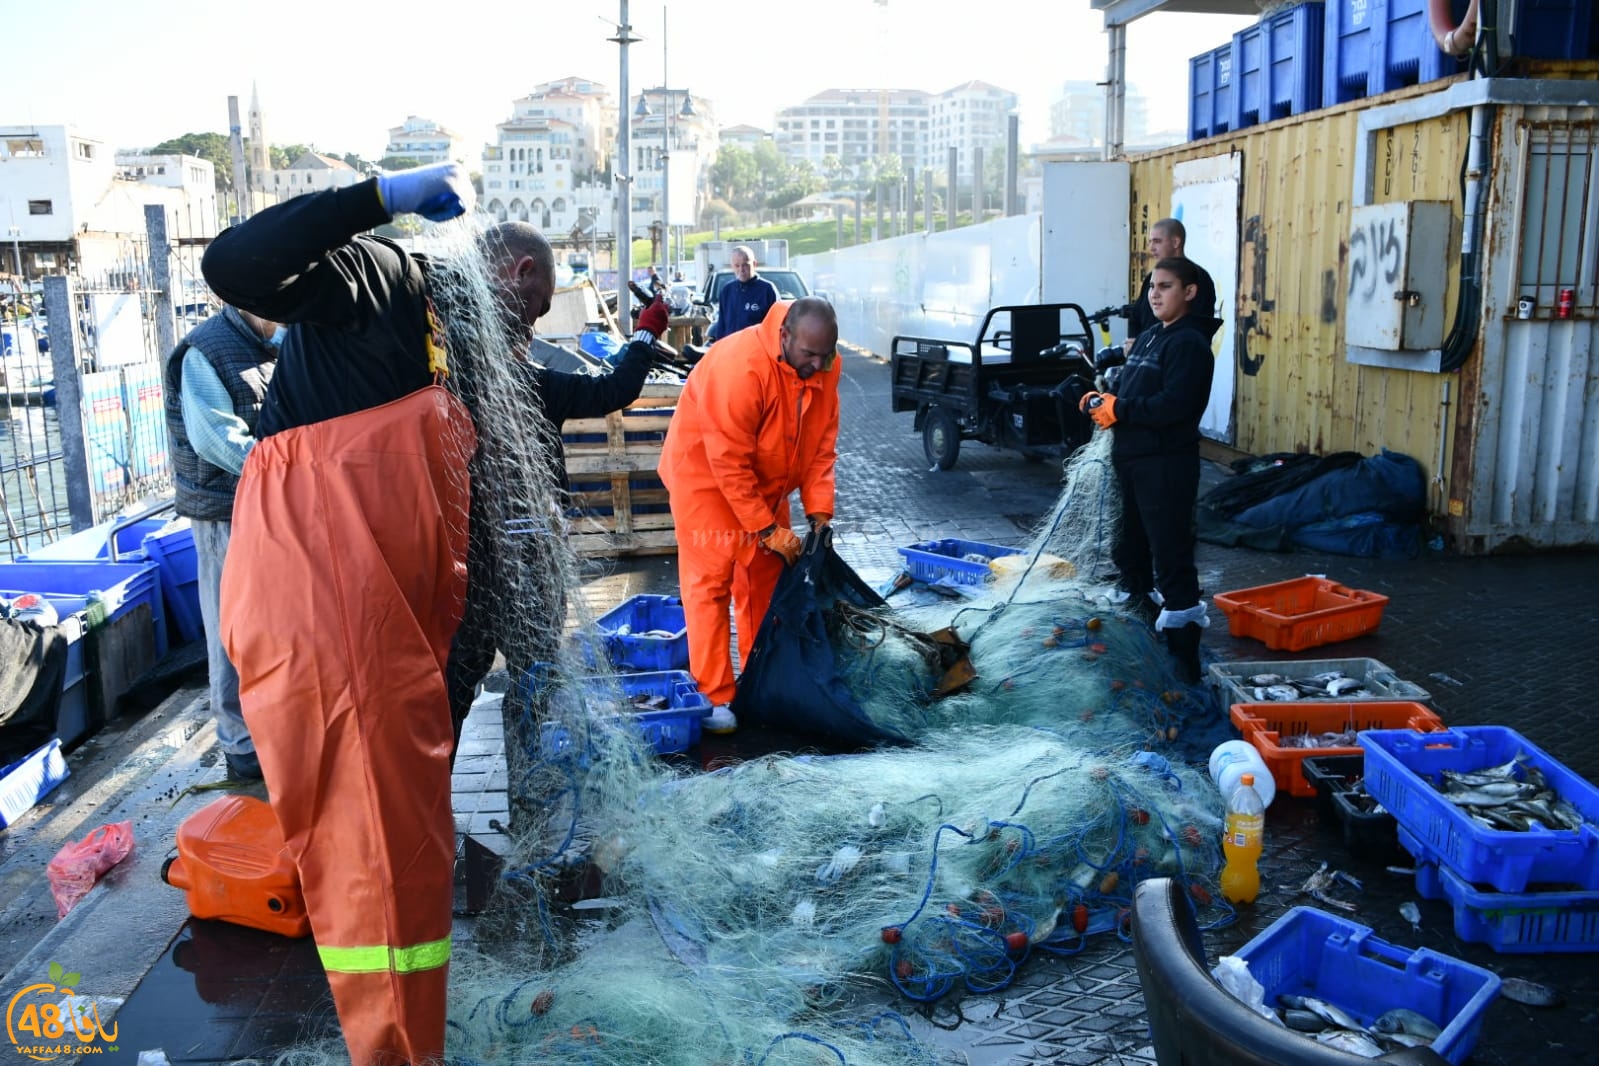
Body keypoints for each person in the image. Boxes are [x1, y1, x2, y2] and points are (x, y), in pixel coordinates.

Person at [201, 161, 669, 1066]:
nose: (531, 334)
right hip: (323, 607)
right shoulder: (388, 279)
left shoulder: (470, 356)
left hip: (390, 611)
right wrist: (379, 197)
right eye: (532, 313)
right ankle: (393, 1045)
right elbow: (238, 266)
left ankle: (407, 1029)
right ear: (512, 278)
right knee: (367, 840)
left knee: (402, 831)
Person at [658, 297, 841, 734]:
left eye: (826, 355)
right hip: (704, 476)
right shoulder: (740, 367)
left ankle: (761, 680)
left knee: (764, 579)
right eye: (809, 355)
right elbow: (728, 461)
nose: (818, 365)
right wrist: (765, 527)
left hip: (765, 484)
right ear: (785, 337)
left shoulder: (825, 364)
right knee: (711, 585)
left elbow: (821, 446)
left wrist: (819, 513)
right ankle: (716, 696)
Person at [1079, 257, 1215, 684]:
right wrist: (1102, 401)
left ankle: (1185, 662)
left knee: (1172, 558)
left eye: (1165, 286)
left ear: (1189, 293)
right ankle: (1142, 634)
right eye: (1152, 286)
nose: (1154, 294)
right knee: (1130, 553)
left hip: (1166, 467)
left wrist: (1123, 409)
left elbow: (1175, 407)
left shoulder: (1189, 343)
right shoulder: (1155, 334)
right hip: (1133, 464)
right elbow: (1129, 393)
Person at [160, 303, 280, 782]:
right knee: (229, 627)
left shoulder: (275, 342)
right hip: (221, 511)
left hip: (266, 500)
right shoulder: (204, 350)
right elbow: (217, 440)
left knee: (269, 626)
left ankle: (270, 729)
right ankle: (238, 745)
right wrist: (290, 472)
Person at [1122, 218, 1218, 343]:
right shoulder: (1150, 278)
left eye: (1157, 241)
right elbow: (1136, 316)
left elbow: (1198, 326)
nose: (1151, 248)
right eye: (1150, 242)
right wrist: (1134, 343)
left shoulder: (1199, 277)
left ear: (1176, 242)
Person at [708, 245, 780, 342]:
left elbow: (776, 326)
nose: (741, 270)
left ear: (754, 264)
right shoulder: (727, 291)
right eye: (737, 266)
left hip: (756, 350)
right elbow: (722, 326)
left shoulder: (767, 290)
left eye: (745, 265)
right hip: (732, 350)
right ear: (732, 266)